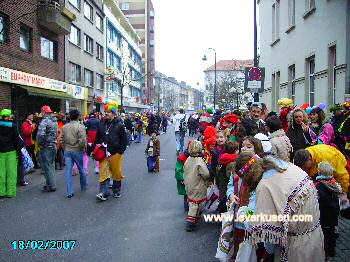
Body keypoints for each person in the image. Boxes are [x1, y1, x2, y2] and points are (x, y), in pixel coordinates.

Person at [234, 151, 324, 261]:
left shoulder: (265, 186)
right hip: (315, 237)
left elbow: (270, 238)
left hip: (296, 248)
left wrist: (246, 218)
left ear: (247, 176)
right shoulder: (287, 166)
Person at [95, 105, 127, 201]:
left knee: (116, 173)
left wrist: (120, 151)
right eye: (105, 112)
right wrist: (97, 146)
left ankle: (116, 190)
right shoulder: (102, 123)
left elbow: (124, 140)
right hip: (104, 153)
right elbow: (98, 136)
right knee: (103, 173)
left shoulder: (120, 125)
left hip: (115, 153)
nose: (106, 113)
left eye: (108, 112)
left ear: (113, 114)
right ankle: (104, 193)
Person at [315, 161, 342, 260]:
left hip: (322, 220)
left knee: (322, 242)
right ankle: (328, 256)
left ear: (319, 172)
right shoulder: (335, 185)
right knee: (330, 240)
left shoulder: (318, 187)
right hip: (333, 221)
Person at [60, 109, 87, 198]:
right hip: (77, 150)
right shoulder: (80, 127)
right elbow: (82, 140)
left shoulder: (64, 127)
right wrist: (81, 148)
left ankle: (69, 191)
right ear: (78, 116)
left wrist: (65, 148)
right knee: (81, 169)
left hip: (67, 150)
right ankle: (83, 186)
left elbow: (61, 140)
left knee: (68, 171)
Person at [183, 140, 210, 232]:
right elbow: (206, 174)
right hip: (198, 185)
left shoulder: (188, 159)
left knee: (192, 202)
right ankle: (190, 223)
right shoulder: (199, 161)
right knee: (195, 204)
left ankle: (194, 218)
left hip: (189, 184)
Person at [37, 105, 58, 193]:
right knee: (51, 165)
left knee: (46, 166)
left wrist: (41, 143)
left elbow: (41, 135)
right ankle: (51, 183)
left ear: (44, 112)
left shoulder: (44, 121)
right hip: (54, 145)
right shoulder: (54, 121)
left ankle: (51, 185)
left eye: (42, 112)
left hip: (46, 146)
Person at [0, 109, 19, 198]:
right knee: (11, 172)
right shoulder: (13, 126)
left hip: (1, 152)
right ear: (7, 116)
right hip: (11, 151)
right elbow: (16, 140)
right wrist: (18, 152)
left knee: (1, 173)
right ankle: (10, 192)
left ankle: (1, 192)